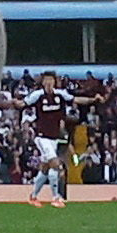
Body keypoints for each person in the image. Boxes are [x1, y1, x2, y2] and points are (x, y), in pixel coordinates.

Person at [22, 71, 96, 206]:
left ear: (54, 82)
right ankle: (56, 198)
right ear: (43, 82)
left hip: (54, 138)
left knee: (45, 168)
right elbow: (22, 103)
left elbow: (76, 100)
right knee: (56, 165)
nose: (49, 83)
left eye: (51, 80)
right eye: (47, 80)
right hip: (42, 137)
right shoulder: (37, 95)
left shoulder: (60, 94)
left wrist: (93, 100)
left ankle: (33, 197)